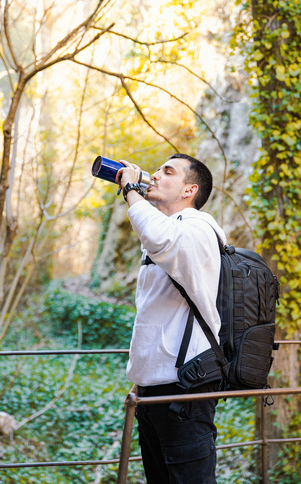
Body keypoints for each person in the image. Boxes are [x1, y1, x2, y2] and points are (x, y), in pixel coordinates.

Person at [115, 153, 227, 484]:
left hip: (186, 388)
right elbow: (157, 315)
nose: (155, 176)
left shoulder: (199, 228)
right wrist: (140, 382)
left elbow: (160, 236)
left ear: (189, 190)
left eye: (168, 172)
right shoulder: (168, 233)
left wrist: (132, 191)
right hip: (155, 389)